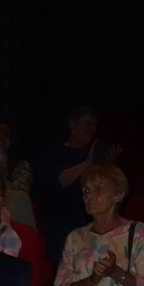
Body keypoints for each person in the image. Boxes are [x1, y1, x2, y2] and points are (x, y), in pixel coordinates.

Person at [38, 107, 118, 268]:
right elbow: (59, 181)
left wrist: (108, 166)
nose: (91, 129)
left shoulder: (94, 154)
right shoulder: (55, 152)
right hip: (60, 229)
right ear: (72, 125)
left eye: (94, 125)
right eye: (87, 123)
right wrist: (87, 163)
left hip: (89, 226)